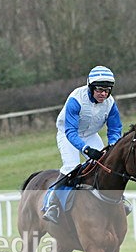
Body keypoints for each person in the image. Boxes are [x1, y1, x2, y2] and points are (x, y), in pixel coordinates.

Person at [43, 65, 123, 223]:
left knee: (108, 164)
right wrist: (86, 149)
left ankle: (118, 200)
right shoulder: (76, 99)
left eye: (107, 90)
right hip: (68, 135)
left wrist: (113, 145)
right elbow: (71, 131)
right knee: (71, 167)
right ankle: (52, 204)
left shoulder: (110, 103)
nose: (103, 94)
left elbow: (115, 129)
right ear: (91, 87)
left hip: (91, 135)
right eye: (100, 90)